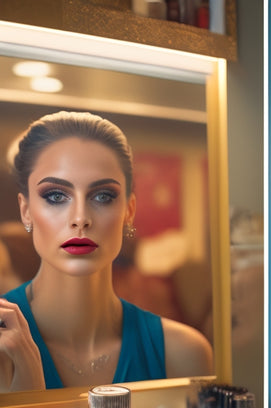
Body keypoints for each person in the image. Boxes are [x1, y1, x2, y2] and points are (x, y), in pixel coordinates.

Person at [0, 111, 213, 392]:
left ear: (129, 210)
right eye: (55, 196)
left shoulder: (184, 354)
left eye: (102, 196)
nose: (80, 217)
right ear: (25, 211)